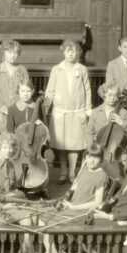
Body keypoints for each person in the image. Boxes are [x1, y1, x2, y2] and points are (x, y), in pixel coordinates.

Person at [45, 39, 91, 183]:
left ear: (78, 52)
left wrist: (88, 108)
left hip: (78, 112)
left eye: (74, 51)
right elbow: (50, 91)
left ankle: (72, 173)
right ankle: (63, 171)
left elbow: (87, 90)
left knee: (75, 144)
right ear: (63, 52)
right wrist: (45, 109)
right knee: (62, 144)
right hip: (60, 113)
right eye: (68, 51)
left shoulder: (82, 69)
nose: (71, 54)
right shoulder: (56, 69)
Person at [0, 40, 30, 131]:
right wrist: (1, 107)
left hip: (19, 111)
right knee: (5, 141)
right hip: (1, 112)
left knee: (19, 139)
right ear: (4, 53)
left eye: (15, 52)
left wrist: (21, 107)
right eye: (10, 52)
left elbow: (28, 90)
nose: (13, 55)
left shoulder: (22, 69)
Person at [59, 144, 110, 212]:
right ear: (85, 158)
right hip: (72, 204)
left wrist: (74, 207)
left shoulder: (101, 175)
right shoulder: (85, 169)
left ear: (101, 159)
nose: (92, 161)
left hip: (82, 210)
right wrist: (67, 200)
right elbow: (76, 188)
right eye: (89, 157)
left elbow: (98, 202)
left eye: (96, 157)